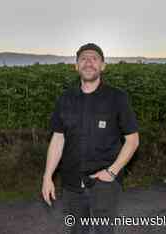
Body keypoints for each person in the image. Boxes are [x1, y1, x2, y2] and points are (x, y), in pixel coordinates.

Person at [41, 43, 139, 234]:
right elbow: (58, 139)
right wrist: (47, 176)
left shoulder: (117, 98)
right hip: (71, 183)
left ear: (103, 66)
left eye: (94, 58)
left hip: (104, 183)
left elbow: (133, 140)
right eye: (84, 58)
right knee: (77, 230)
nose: (89, 62)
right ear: (76, 66)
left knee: (104, 230)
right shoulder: (65, 99)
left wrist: (112, 172)